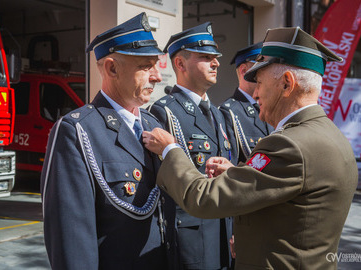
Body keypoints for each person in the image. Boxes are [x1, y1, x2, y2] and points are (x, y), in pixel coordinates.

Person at [142, 26, 358, 269]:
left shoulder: (288, 144)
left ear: (287, 84)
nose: (255, 93)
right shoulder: (333, 136)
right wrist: (237, 173)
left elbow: (204, 198)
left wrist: (171, 150)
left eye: (260, 82)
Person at [40, 13, 178, 270]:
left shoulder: (153, 125)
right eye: (146, 67)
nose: (157, 77)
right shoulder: (77, 130)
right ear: (112, 68)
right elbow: (72, 239)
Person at [148, 22, 233, 269]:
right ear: (181, 64)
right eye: (206, 57)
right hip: (189, 239)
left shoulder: (218, 114)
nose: (216, 63)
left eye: (215, 57)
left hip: (223, 234)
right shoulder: (164, 112)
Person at [220, 42, 274, 164]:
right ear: (244, 71)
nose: (268, 74)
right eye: (262, 69)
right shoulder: (229, 112)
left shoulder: (272, 107)